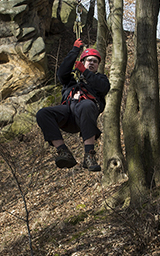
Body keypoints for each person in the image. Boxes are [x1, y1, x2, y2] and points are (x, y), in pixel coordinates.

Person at [36, 40, 110, 171]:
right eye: (89, 60)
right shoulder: (71, 80)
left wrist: (85, 72)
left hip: (85, 115)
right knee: (43, 113)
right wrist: (75, 50)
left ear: (98, 65)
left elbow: (103, 87)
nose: (92, 63)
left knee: (86, 104)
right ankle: (63, 151)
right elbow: (62, 73)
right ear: (82, 62)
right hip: (68, 114)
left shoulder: (101, 79)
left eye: (95, 61)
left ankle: (89, 155)